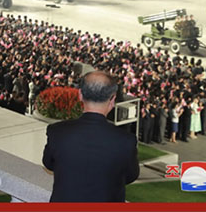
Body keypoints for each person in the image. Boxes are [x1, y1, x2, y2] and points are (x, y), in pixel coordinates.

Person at [42, 71, 139, 202]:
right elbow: (130, 176)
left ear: (80, 95)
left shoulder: (57, 131)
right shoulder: (126, 141)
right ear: (112, 100)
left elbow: (49, 163)